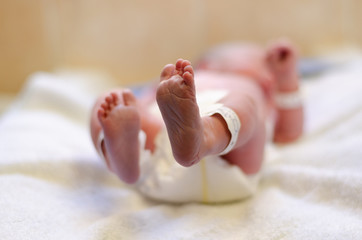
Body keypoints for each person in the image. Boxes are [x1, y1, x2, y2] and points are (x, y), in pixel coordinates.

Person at [89, 39, 303, 203]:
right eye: (261, 64)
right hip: (160, 148)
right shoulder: (177, 83)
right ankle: (125, 159)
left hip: (233, 158)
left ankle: (208, 135)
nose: (269, 76)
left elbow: (288, 133)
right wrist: (131, 112)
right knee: (114, 100)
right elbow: (141, 106)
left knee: (248, 106)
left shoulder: (259, 97)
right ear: (208, 65)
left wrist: (287, 79)